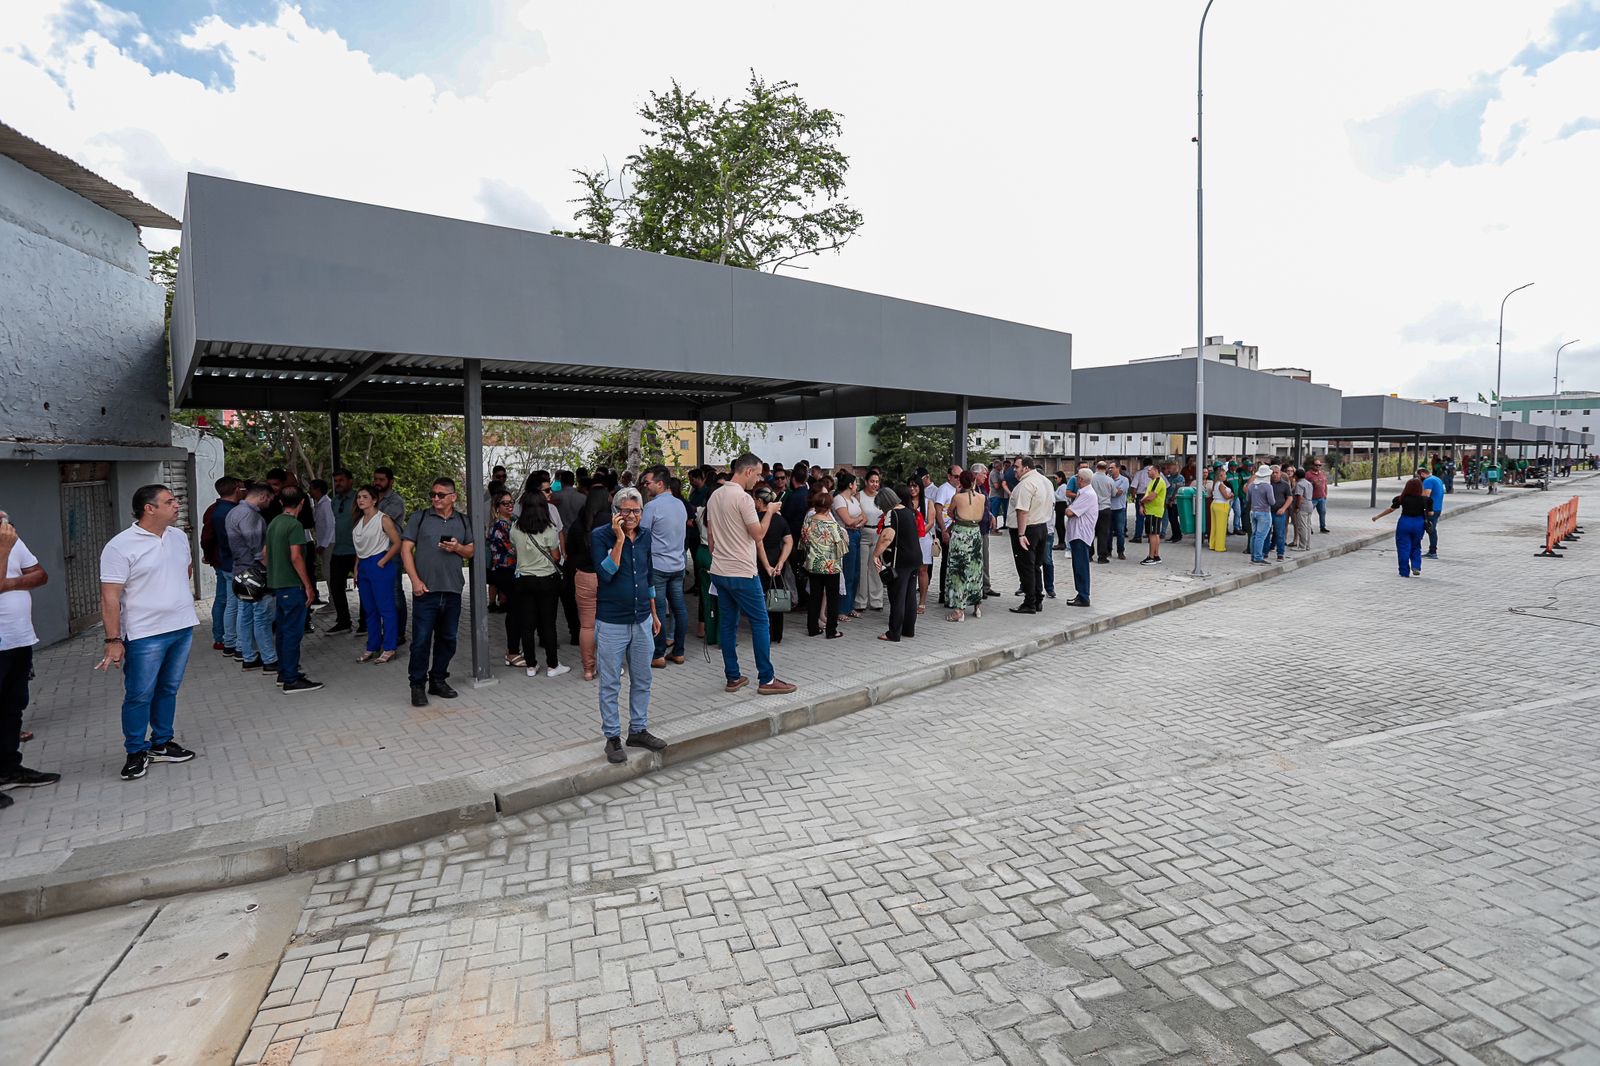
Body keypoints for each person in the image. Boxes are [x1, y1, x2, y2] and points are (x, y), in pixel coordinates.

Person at [98, 485, 201, 781]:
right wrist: (113, 640)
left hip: (181, 627)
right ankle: (136, 751)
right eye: (170, 501)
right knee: (140, 694)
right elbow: (109, 597)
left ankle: (162, 743)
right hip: (145, 634)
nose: (177, 504)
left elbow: (187, 570)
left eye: (176, 500)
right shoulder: (120, 546)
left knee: (168, 689)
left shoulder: (178, 537)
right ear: (149, 508)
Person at [706, 454, 796, 695]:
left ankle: (733, 677)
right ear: (747, 472)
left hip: (719, 571)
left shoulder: (715, 496)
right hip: (743, 572)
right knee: (760, 622)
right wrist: (770, 511)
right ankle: (766, 679)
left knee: (728, 624)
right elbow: (758, 535)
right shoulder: (743, 499)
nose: (758, 479)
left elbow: (712, 541)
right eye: (757, 474)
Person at [592, 487, 666, 763]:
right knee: (610, 682)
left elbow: (648, 578)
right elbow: (606, 574)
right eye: (626, 511)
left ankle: (638, 729)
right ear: (616, 513)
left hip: (642, 619)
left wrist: (655, 612)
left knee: (643, 679)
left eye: (637, 511)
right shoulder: (600, 536)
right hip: (611, 621)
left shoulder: (646, 537)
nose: (632, 515)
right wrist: (620, 540)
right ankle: (612, 738)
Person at [0, 510, 59, 804]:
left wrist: (9, 583)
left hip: (17, 638)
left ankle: (9, 769)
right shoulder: (5, 543)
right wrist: (3, 552)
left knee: (13, 708)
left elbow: (41, 575)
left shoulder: (11, 539)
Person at [401, 478, 475, 707]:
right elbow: (405, 549)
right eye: (432, 494)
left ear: (453, 497)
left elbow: (471, 551)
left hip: (452, 590)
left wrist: (457, 548)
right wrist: (414, 580)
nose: (435, 498)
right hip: (425, 591)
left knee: (448, 640)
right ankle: (417, 685)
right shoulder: (420, 517)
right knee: (421, 641)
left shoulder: (463, 521)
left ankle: (438, 679)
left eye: (440, 495)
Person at [264, 487, 323, 693]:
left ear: (281, 502)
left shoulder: (274, 523)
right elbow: (296, 556)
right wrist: (308, 585)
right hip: (292, 585)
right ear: (303, 503)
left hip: (278, 585)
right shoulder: (294, 525)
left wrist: (275, 570)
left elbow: (264, 554)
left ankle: (284, 671)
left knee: (282, 630)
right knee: (292, 633)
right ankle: (291, 679)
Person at [510, 484, 569, 679]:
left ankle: (530, 665)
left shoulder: (515, 529)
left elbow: (515, 550)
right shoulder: (550, 530)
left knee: (527, 624)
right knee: (548, 624)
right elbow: (555, 555)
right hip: (547, 581)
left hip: (523, 581)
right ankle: (552, 665)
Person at [225, 484, 278, 675]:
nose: (270, 503)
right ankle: (269, 659)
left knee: (246, 615)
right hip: (255, 572)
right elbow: (258, 551)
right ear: (263, 496)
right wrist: (272, 572)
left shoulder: (234, 512)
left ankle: (248, 656)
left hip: (240, 569)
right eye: (270, 499)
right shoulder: (250, 515)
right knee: (261, 616)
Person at [640, 465, 689, 668]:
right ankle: (679, 652)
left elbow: (643, 535)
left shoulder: (652, 507)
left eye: (648, 483)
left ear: (660, 483)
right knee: (679, 607)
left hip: (658, 566)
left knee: (658, 609)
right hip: (678, 564)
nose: (646, 486)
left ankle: (658, 654)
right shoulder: (680, 504)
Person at [352, 486, 401, 664]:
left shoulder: (383, 519)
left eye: (365, 496)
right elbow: (360, 547)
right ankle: (372, 646)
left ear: (374, 500)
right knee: (369, 609)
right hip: (364, 565)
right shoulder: (359, 520)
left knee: (385, 608)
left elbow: (397, 542)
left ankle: (389, 647)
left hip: (379, 563)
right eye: (358, 497)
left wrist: (382, 561)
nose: (360, 500)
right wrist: (356, 567)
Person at [567, 485, 609, 681]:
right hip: (606, 577)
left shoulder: (578, 523)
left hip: (583, 576)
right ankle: (610, 667)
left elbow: (569, 553)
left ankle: (588, 669)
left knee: (586, 626)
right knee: (610, 624)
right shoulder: (609, 521)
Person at [872, 487, 922, 642]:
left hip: (900, 560)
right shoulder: (908, 511)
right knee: (910, 596)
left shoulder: (891, 514)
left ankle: (894, 633)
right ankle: (908, 629)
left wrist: (875, 554)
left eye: (880, 505)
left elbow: (887, 536)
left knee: (897, 597)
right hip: (915, 558)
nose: (880, 508)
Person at [1007, 456, 1052, 614]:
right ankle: (1037, 599)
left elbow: (1022, 510)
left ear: (1026, 468)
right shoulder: (1045, 481)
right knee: (1035, 566)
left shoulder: (1026, 484)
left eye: (1017, 467)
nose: (1015, 470)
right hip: (1041, 527)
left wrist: (1020, 534)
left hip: (1027, 529)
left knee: (1026, 566)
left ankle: (1029, 602)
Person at [800, 489, 847, 638]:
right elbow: (842, 547)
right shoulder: (833, 526)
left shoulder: (808, 522)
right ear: (829, 507)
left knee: (815, 596)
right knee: (832, 598)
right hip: (831, 566)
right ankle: (831, 630)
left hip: (814, 564)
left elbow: (804, 542)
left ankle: (812, 628)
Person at [203, 476, 242, 654]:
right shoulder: (229, 511)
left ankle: (226, 639)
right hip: (228, 562)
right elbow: (208, 538)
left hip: (222, 561)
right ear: (236, 488)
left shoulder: (215, 510)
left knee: (227, 602)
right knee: (231, 602)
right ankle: (229, 640)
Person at [944, 470, 988, 622]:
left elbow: (950, 513)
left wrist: (957, 495)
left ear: (961, 483)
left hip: (960, 533)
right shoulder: (982, 497)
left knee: (958, 569)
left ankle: (958, 609)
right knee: (975, 568)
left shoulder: (957, 497)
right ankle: (977, 606)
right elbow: (981, 515)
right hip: (975, 532)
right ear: (974, 481)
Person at [485, 491, 522, 666]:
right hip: (504, 570)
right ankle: (512, 651)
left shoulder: (514, 521)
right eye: (504, 503)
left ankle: (514, 649)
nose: (509, 505)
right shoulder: (498, 527)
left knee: (517, 609)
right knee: (515, 610)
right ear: (497, 506)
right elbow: (513, 550)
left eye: (511, 502)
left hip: (515, 570)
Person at [371, 467, 408, 642]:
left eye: (381, 480)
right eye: (375, 479)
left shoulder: (395, 501)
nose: (377, 483)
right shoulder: (371, 499)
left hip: (391, 551)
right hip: (373, 551)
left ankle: (399, 633)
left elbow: (379, 524)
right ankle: (383, 630)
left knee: (394, 592)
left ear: (390, 481)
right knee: (378, 593)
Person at [1373, 478, 1430, 577]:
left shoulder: (1401, 498)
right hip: (1419, 523)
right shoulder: (1426, 500)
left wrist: (1377, 517)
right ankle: (1416, 566)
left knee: (1403, 547)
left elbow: (1391, 509)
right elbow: (1431, 512)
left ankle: (1404, 571)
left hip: (1404, 522)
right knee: (1416, 545)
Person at [757, 485, 793, 645]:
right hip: (777, 562)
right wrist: (781, 561)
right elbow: (788, 541)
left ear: (759, 501)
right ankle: (777, 633)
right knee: (776, 597)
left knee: (761, 599)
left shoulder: (756, 519)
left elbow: (758, 543)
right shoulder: (780, 519)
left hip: (759, 562)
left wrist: (766, 566)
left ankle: (763, 631)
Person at [325, 469, 358, 633]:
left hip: (357, 550)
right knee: (336, 585)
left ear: (350, 481)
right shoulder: (334, 501)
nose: (338, 484)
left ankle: (365, 622)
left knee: (364, 586)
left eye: (341, 480)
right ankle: (344, 621)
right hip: (339, 549)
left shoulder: (359, 498)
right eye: (336, 481)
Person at [831, 473, 866, 620]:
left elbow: (864, 517)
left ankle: (850, 606)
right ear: (850, 485)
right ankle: (842, 609)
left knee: (856, 572)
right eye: (855, 483)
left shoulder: (853, 499)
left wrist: (856, 521)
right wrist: (856, 521)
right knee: (848, 572)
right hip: (846, 536)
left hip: (857, 533)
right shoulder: (839, 499)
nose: (856, 486)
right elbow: (847, 521)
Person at [855, 470, 886, 612]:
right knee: (862, 568)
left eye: (877, 481)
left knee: (876, 567)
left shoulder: (881, 497)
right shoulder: (859, 496)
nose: (875, 484)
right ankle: (861, 601)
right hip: (863, 534)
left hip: (878, 534)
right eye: (872, 481)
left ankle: (877, 600)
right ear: (866, 482)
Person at [931, 465, 961, 606]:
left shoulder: (958, 489)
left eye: (960, 477)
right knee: (946, 561)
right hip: (945, 529)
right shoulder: (944, 489)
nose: (958, 479)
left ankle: (950, 591)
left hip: (954, 528)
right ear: (949, 476)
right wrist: (943, 530)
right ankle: (943, 592)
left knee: (952, 561)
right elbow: (938, 511)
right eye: (956, 476)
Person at [903, 478, 934, 615]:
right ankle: (907, 600)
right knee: (908, 570)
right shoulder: (904, 503)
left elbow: (931, 522)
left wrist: (919, 533)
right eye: (909, 486)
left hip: (923, 539)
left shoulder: (927, 502)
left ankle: (922, 601)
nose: (912, 489)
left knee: (923, 570)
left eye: (915, 486)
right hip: (907, 539)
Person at [308, 478, 335, 608]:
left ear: (317, 490)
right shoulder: (320, 504)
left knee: (329, 573)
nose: (309, 491)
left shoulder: (327, 504)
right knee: (326, 572)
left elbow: (331, 525)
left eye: (311, 488)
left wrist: (323, 544)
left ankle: (334, 601)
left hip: (329, 543)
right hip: (324, 543)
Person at [1138, 460, 1167, 565]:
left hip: (1154, 511)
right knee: (1155, 533)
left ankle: (1151, 557)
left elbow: (1151, 496)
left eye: (1149, 470)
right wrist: (1142, 505)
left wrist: (1141, 502)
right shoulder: (1153, 481)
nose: (1147, 472)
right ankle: (1156, 555)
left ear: (1155, 470)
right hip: (1152, 510)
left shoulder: (1158, 481)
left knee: (1152, 534)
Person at [1246, 465, 1276, 564]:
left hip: (1253, 511)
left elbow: (1248, 499)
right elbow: (1272, 502)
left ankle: (1253, 556)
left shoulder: (1251, 486)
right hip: (1264, 512)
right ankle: (1258, 557)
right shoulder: (1268, 486)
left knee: (1254, 535)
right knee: (1260, 536)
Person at [1090, 461, 1117, 564]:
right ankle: (1102, 557)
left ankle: (1089, 554)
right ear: (1106, 468)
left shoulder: (1091, 478)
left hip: (1092, 508)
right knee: (1103, 533)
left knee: (1091, 532)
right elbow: (1114, 493)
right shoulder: (1109, 480)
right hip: (1105, 508)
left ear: (1096, 467)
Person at [1206, 466, 1233, 553]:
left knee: (1214, 526)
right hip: (1222, 505)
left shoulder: (1215, 483)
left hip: (1215, 504)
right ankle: (1220, 546)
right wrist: (1231, 495)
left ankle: (1212, 544)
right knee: (1221, 527)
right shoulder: (1221, 485)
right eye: (1225, 474)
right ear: (1220, 475)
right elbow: (1226, 496)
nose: (1226, 476)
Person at [1421, 466, 1445, 559]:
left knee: (1430, 529)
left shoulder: (1428, 481)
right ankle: (1432, 550)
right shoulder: (1437, 479)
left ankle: (1432, 552)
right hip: (1438, 508)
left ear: (1422, 473)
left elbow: (1426, 495)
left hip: (1431, 509)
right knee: (1432, 529)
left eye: (1418, 476)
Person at [1107, 462, 1129, 560]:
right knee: (1108, 531)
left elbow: (1118, 493)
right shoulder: (1107, 479)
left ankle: (1120, 551)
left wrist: (1111, 491)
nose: (1110, 469)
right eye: (1109, 468)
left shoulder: (1124, 480)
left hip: (1120, 508)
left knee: (1120, 532)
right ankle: (1108, 551)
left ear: (1118, 468)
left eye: (1112, 467)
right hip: (1109, 508)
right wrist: (1113, 491)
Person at [1292, 467, 1314, 551]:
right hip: (1310, 504)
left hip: (1303, 506)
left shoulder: (1299, 484)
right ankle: (1307, 545)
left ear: (1296, 476)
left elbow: (1299, 497)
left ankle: (1302, 545)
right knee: (1308, 526)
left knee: (1302, 526)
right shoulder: (1308, 483)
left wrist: (1297, 507)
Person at [1052, 472, 1069, 548]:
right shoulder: (1060, 487)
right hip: (1059, 505)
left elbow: (1061, 498)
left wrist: (1053, 493)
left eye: (1056, 478)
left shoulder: (1063, 486)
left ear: (1061, 478)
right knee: (1059, 524)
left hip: (1061, 505)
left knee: (1059, 524)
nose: (1055, 480)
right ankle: (1061, 541)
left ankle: (1062, 542)